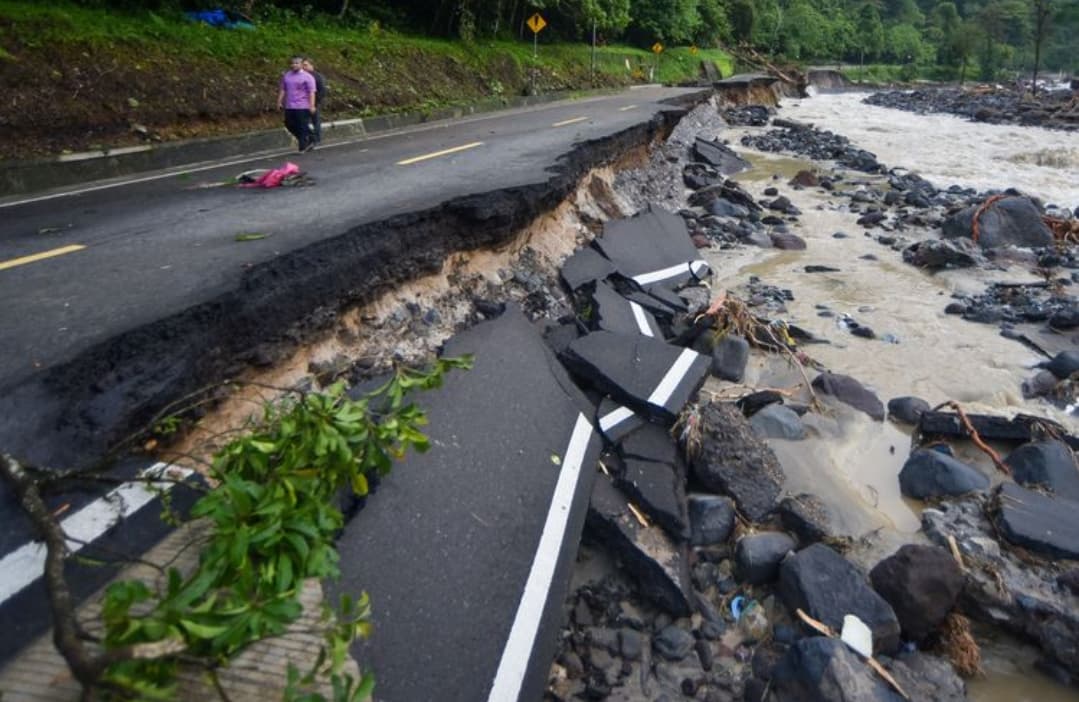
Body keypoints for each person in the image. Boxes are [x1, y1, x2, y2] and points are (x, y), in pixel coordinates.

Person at [277, 56, 316, 152]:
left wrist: (311, 105)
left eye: (297, 63)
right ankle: (311, 137)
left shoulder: (308, 77)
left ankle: (303, 146)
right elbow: (283, 89)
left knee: (302, 125)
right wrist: (279, 101)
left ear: (302, 64)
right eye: (292, 63)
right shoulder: (287, 75)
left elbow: (312, 92)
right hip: (290, 105)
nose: (294, 65)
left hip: (302, 105)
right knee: (289, 124)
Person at [302, 58, 327, 145]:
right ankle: (310, 138)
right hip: (303, 103)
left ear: (311, 65)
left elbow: (322, 90)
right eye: (303, 65)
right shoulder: (302, 76)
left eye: (306, 65)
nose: (304, 67)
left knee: (315, 120)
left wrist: (316, 102)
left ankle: (316, 138)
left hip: (314, 102)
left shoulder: (317, 76)